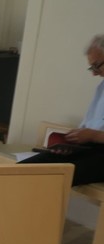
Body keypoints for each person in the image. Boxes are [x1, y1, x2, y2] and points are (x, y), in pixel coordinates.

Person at [20, 33, 104, 185]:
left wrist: (93, 135)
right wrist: (72, 144)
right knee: (23, 170)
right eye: (91, 67)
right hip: (91, 148)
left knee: (52, 177)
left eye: (97, 66)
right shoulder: (101, 88)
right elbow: (89, 127)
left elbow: (93, 134)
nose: (94, 73)